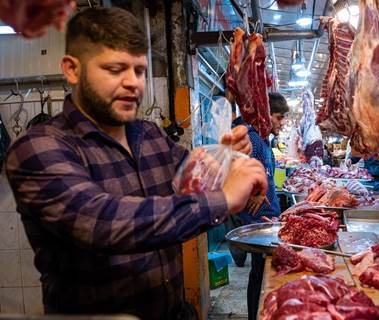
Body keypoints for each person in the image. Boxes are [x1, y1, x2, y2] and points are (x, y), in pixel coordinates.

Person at [5, 7, 267, 320]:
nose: (134, 83)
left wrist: (231, 161)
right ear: (72, 69)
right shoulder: (38, 148)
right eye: (116, 69)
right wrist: (225, 198)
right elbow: (102, 223)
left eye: (140, 70)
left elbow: (199, 184)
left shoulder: (151, 136)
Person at [228, 93, 289, 320]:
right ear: (266, 114)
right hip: (258, 221)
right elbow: (238, 171)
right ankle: (255, 315)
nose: (281, 123)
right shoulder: (252, 138)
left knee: (261, 275)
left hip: (266, 218)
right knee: (259, 275)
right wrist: (251, 193)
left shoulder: (263, 139)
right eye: (279, 117)